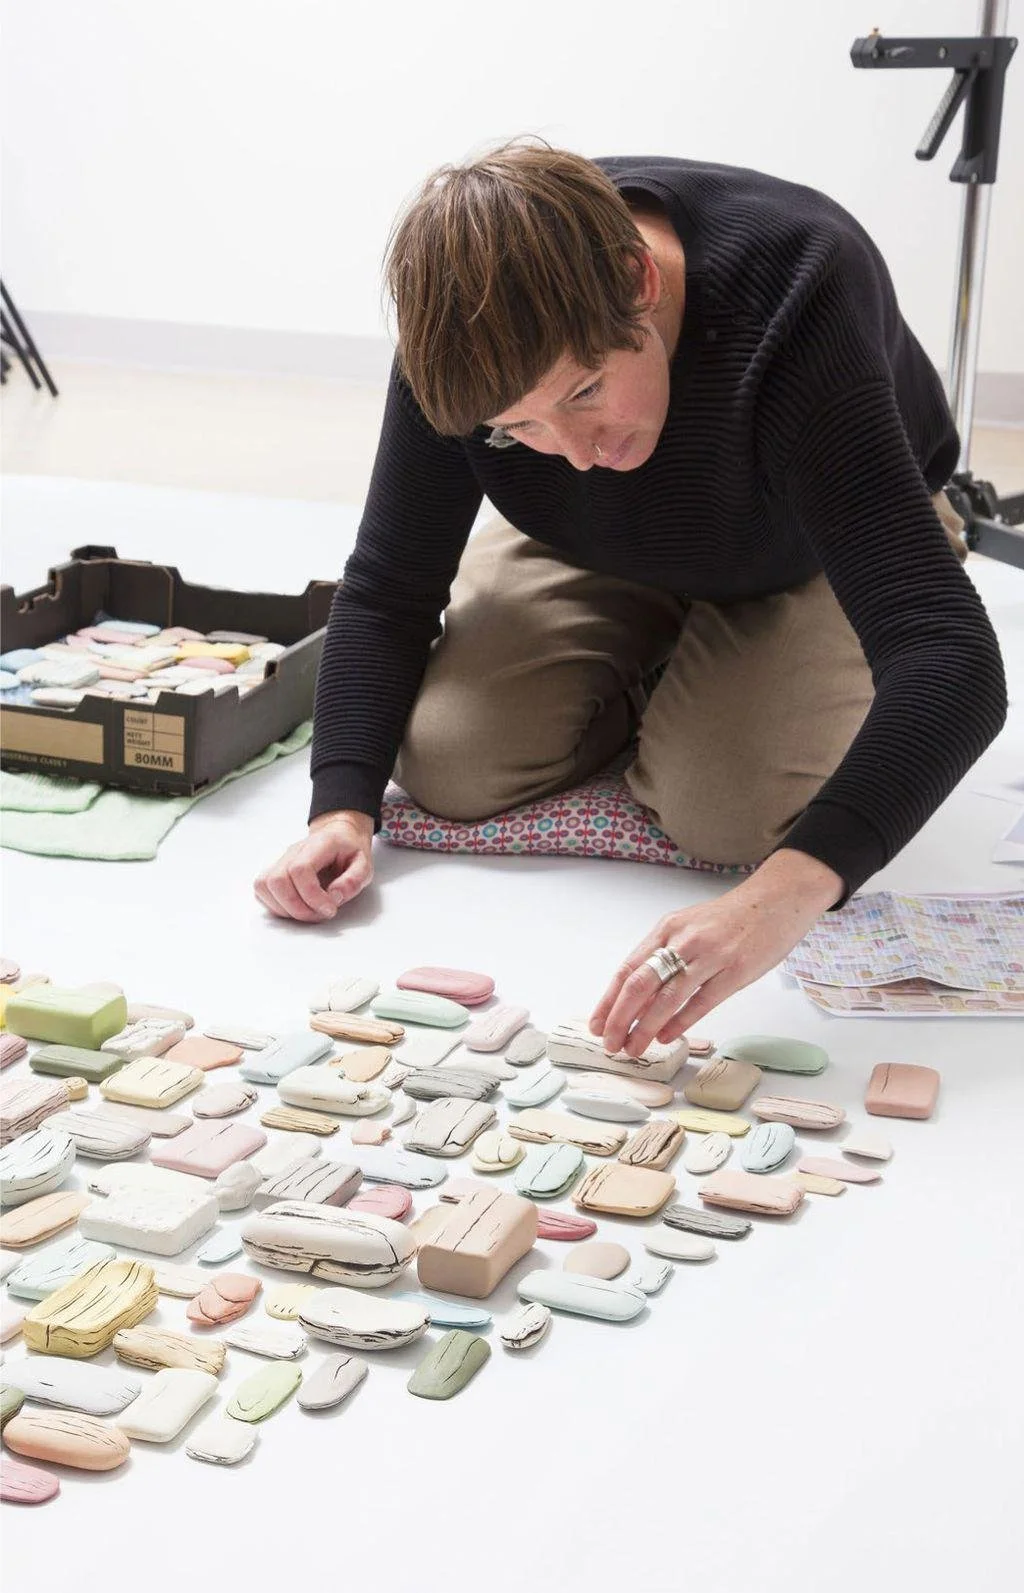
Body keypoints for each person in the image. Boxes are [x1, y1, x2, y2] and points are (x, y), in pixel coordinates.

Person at [255, 137, 1006, 1057]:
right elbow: (388, 584)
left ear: (638, 281)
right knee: (449, 760)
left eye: (585, 391)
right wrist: (341, 806)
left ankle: (700, 683)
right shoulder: (463, 340)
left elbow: (948, 654)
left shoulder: (799, 285)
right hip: (599, 544)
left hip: (810, 541)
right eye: (516, 429)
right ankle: (663, 665)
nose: (573, 452)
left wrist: (781, 898)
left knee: (724, 810)